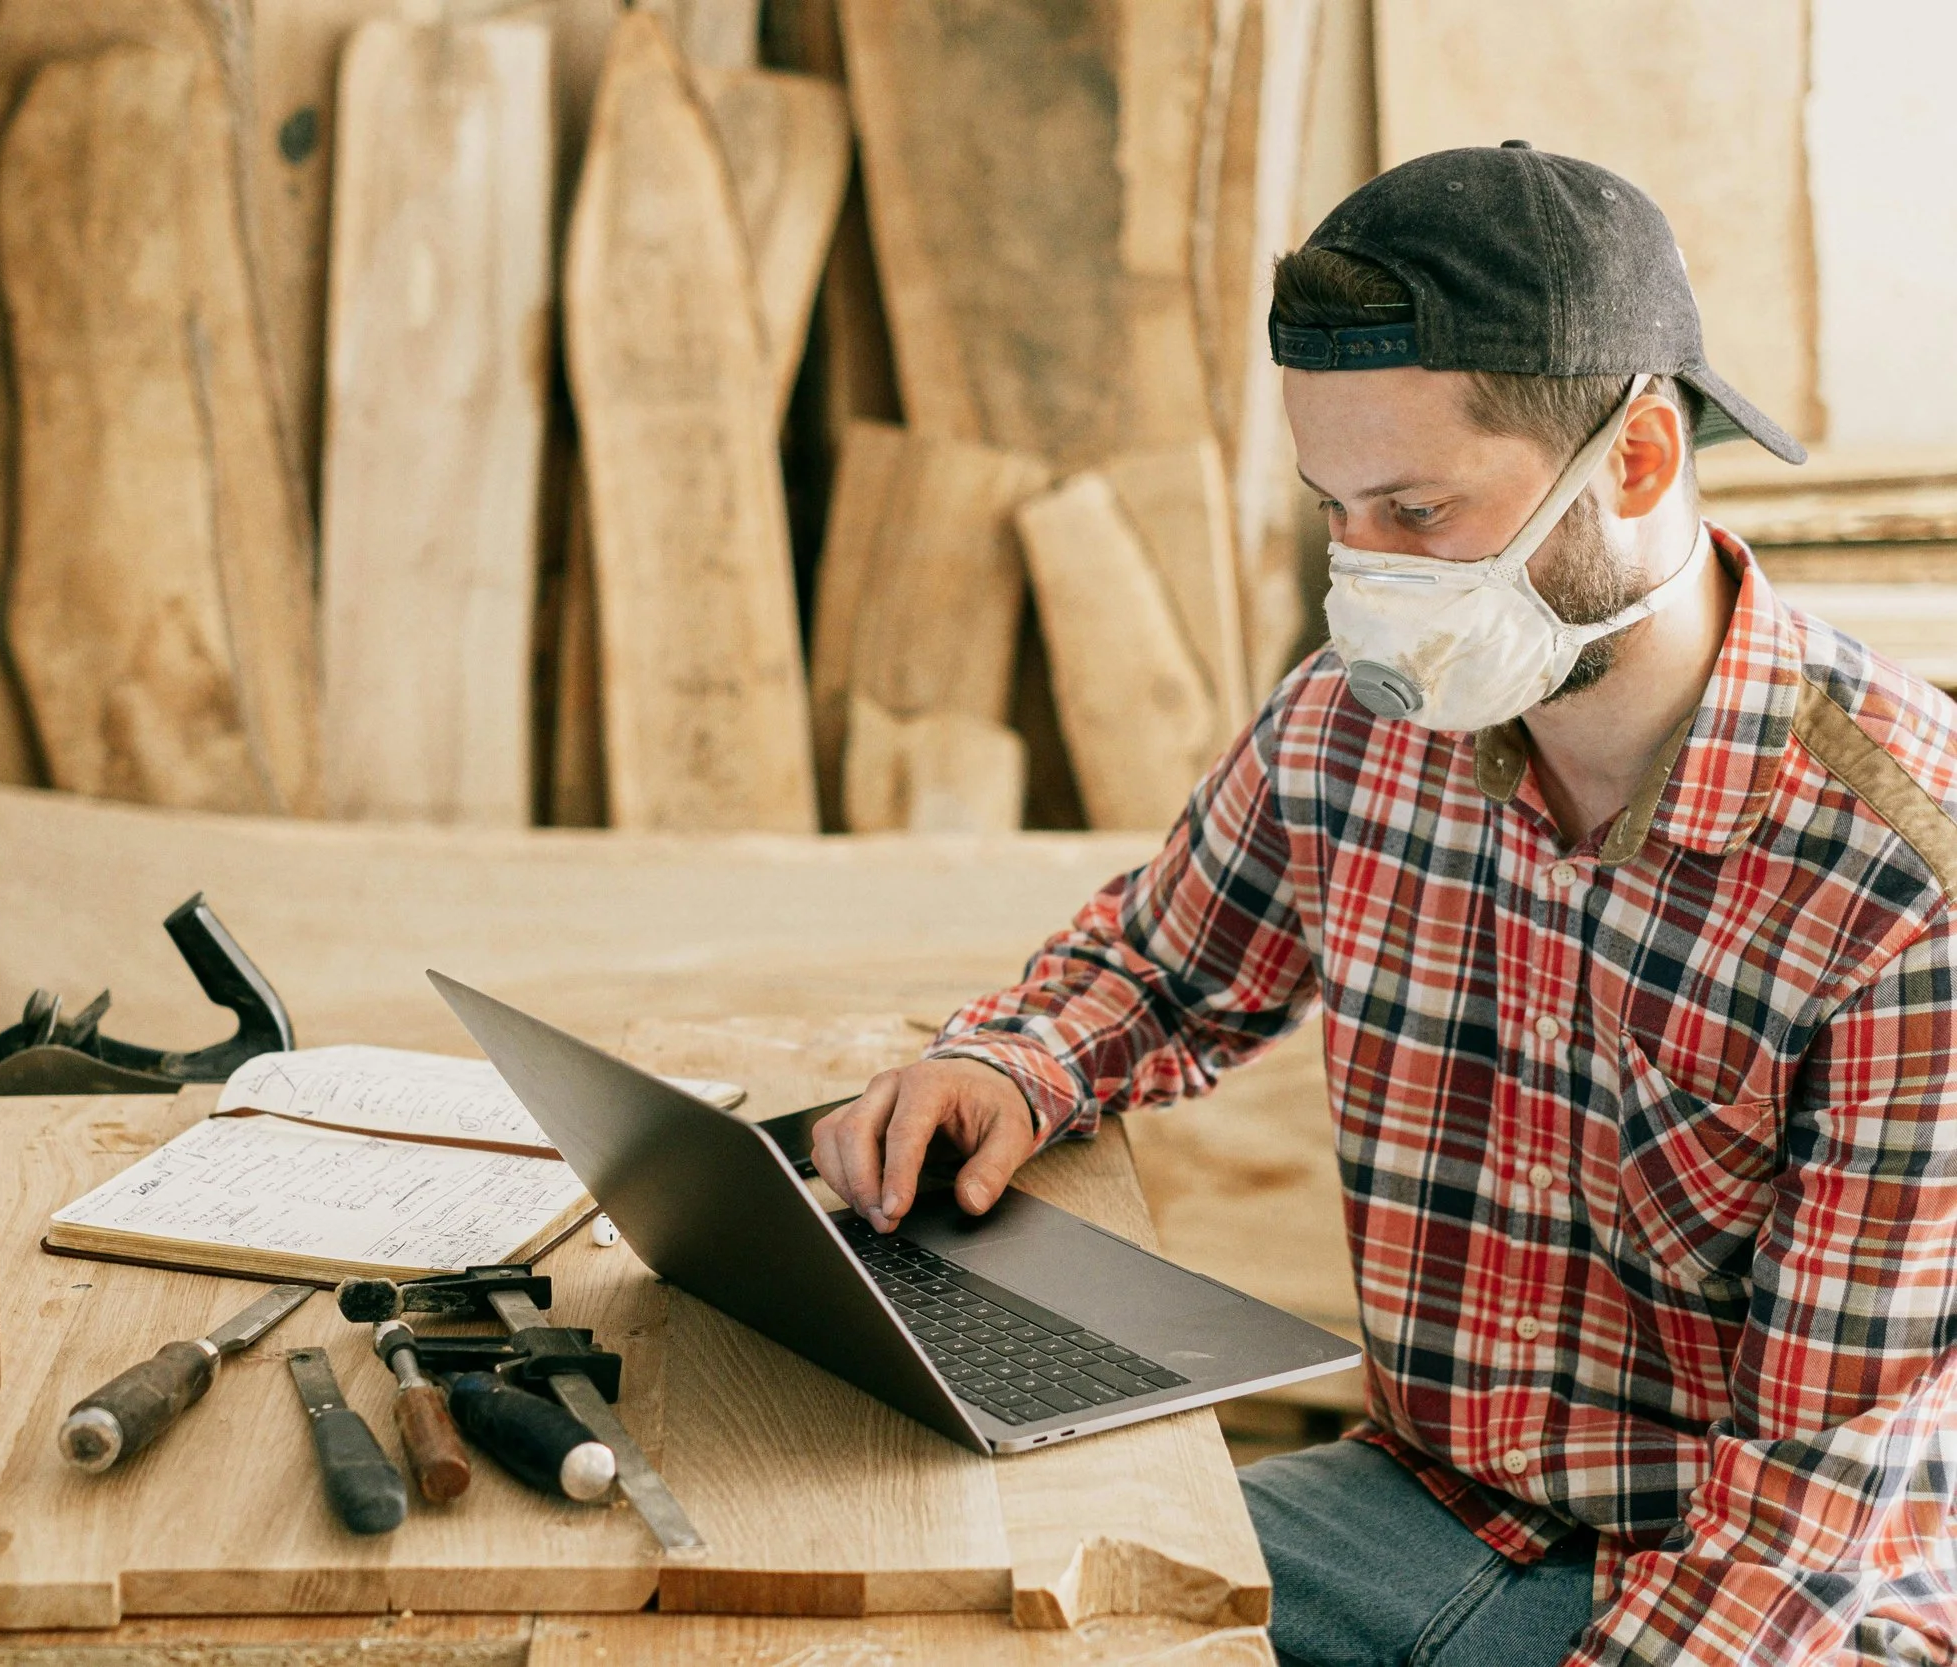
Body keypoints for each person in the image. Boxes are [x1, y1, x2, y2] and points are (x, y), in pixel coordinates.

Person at [812, 143, 1957, 1666]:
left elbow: (1804, 1513)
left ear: (1638, 460)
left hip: (1773, 1593)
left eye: (1415, 510)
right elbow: (1158, 972)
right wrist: (1003, 1064)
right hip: (1426, 1504)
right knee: (967, 1619)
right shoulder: (1363, 724)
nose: (1366, 576)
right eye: (1333, 509)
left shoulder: (1900, 886)